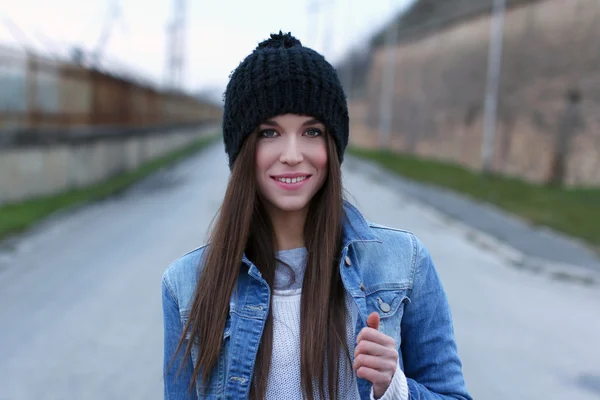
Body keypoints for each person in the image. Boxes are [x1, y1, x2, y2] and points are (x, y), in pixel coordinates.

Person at [162, 31, 472, 400]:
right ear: (242, 149)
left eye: (311, 131)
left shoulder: (404, 262)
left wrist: (395, 389)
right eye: (269, 132)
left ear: (332, 145)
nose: (292, 154)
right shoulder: (186, 284)